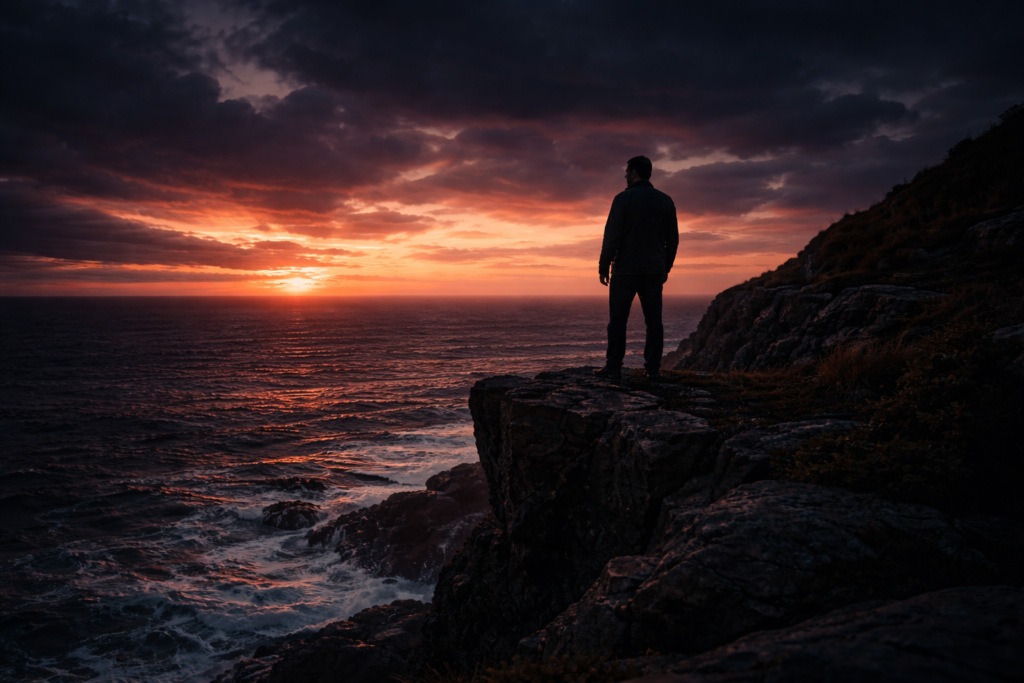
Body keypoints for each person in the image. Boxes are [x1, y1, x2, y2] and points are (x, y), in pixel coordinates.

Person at [594, 155, 679, 382]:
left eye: (626, 172)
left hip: (625, 270)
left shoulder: (623, 199)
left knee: (618, 321)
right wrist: (665, 267)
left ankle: (613, 368)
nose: (624, 176)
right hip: (653, 270)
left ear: (633, 173)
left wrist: (604, 266)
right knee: (653, 321)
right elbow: (673, 240)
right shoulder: (666, 201)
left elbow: (612, 236)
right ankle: (652, 370)